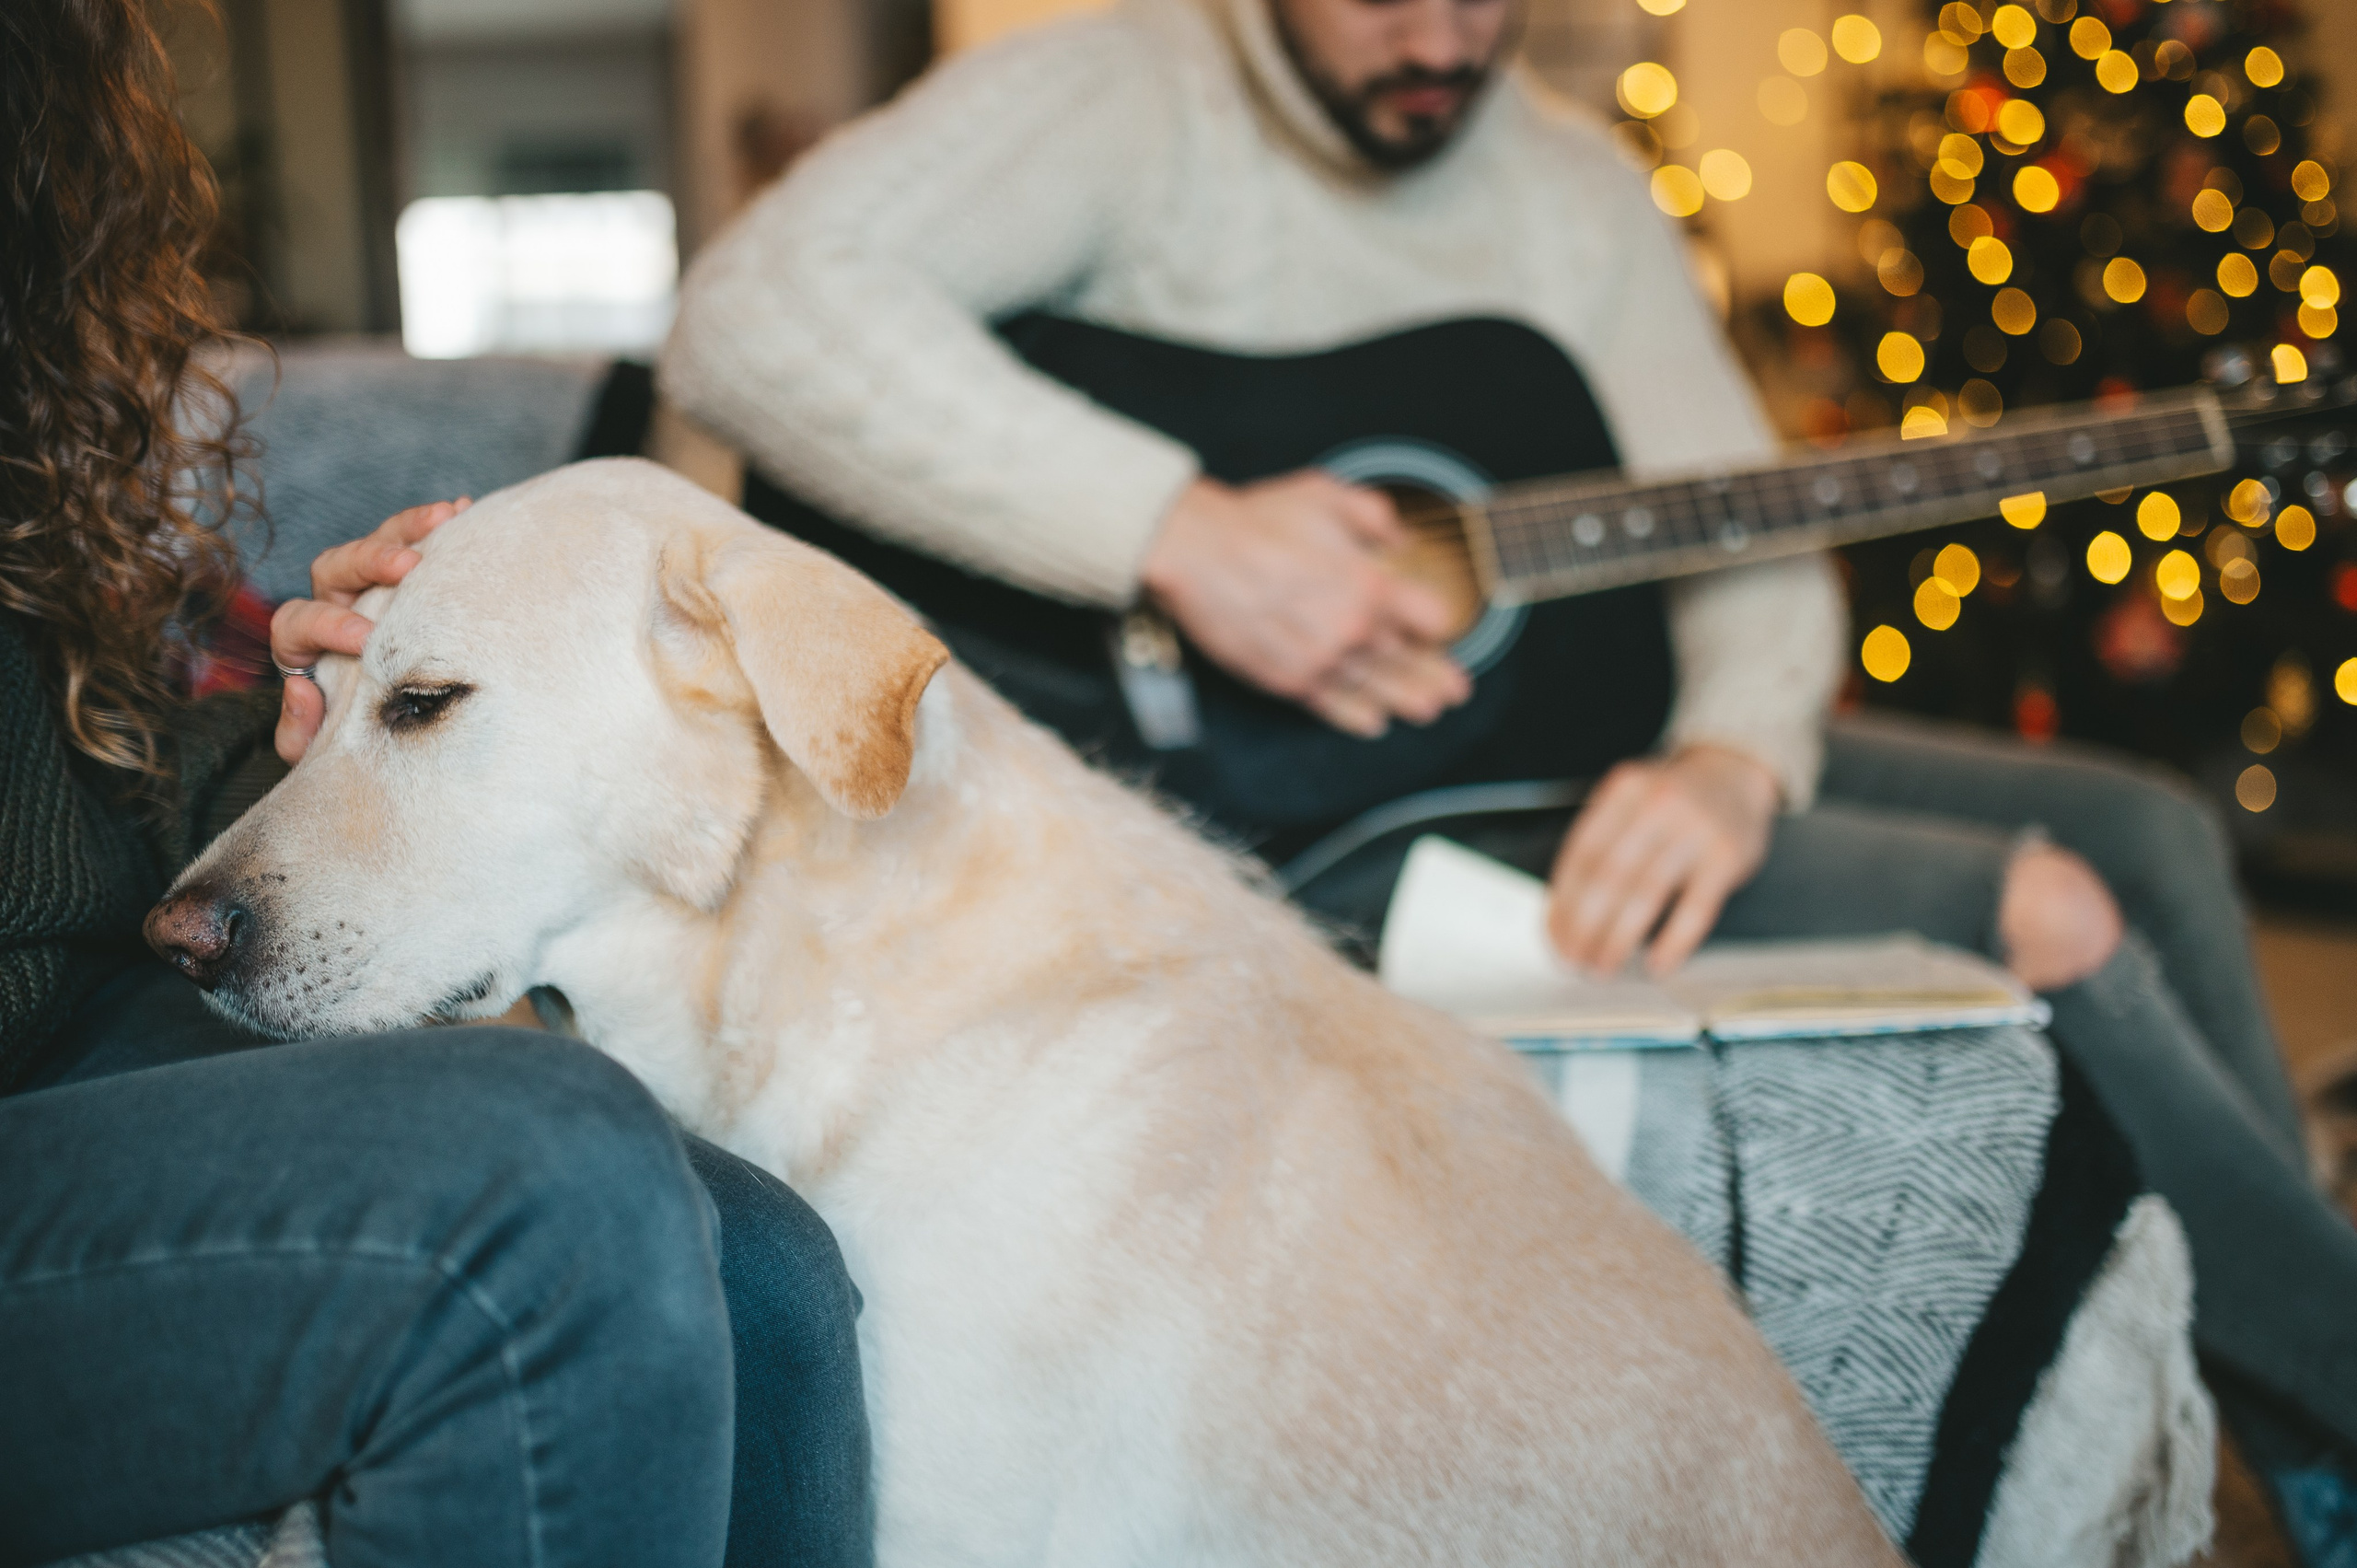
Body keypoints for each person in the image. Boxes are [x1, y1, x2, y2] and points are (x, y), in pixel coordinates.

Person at [656, 0, 2357, 1552]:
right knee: (2051, 905)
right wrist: (1175, 533)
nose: (1442, 41)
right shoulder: (1117, 98)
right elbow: (749, 317)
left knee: (2150, 830)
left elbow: (1744, 525)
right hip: (1279, 816)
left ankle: (2307, 1445)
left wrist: (1730, 762)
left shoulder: (1571, 190)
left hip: (1558, 729)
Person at [0, 4, 869, 1563]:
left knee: (768, 1268)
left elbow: (84, 790)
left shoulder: (29, 444)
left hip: (68, 1030)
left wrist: (311, 719)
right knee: (555, 1176)